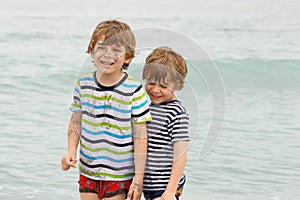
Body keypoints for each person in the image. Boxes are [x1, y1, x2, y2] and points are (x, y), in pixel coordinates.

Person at [61, 19, 152, 200]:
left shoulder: (134, 90)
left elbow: (141, 137)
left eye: (116, 50)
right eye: (101, 48)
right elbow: (75, 122)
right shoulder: (83, 84)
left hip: (120, 175)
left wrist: (139, 179)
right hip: (88, 171)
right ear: (91, 50)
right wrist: (71, 151)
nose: (107, 55)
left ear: (127, 57)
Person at [142, 47, 189, 200]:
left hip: (165, 187)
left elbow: (180, 154)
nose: (155, 90)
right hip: (149, 186)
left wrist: (170, 191)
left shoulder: (176, 112)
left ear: (177, 85)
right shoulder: (148, 108)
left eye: (163, 86)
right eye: (151, 82)